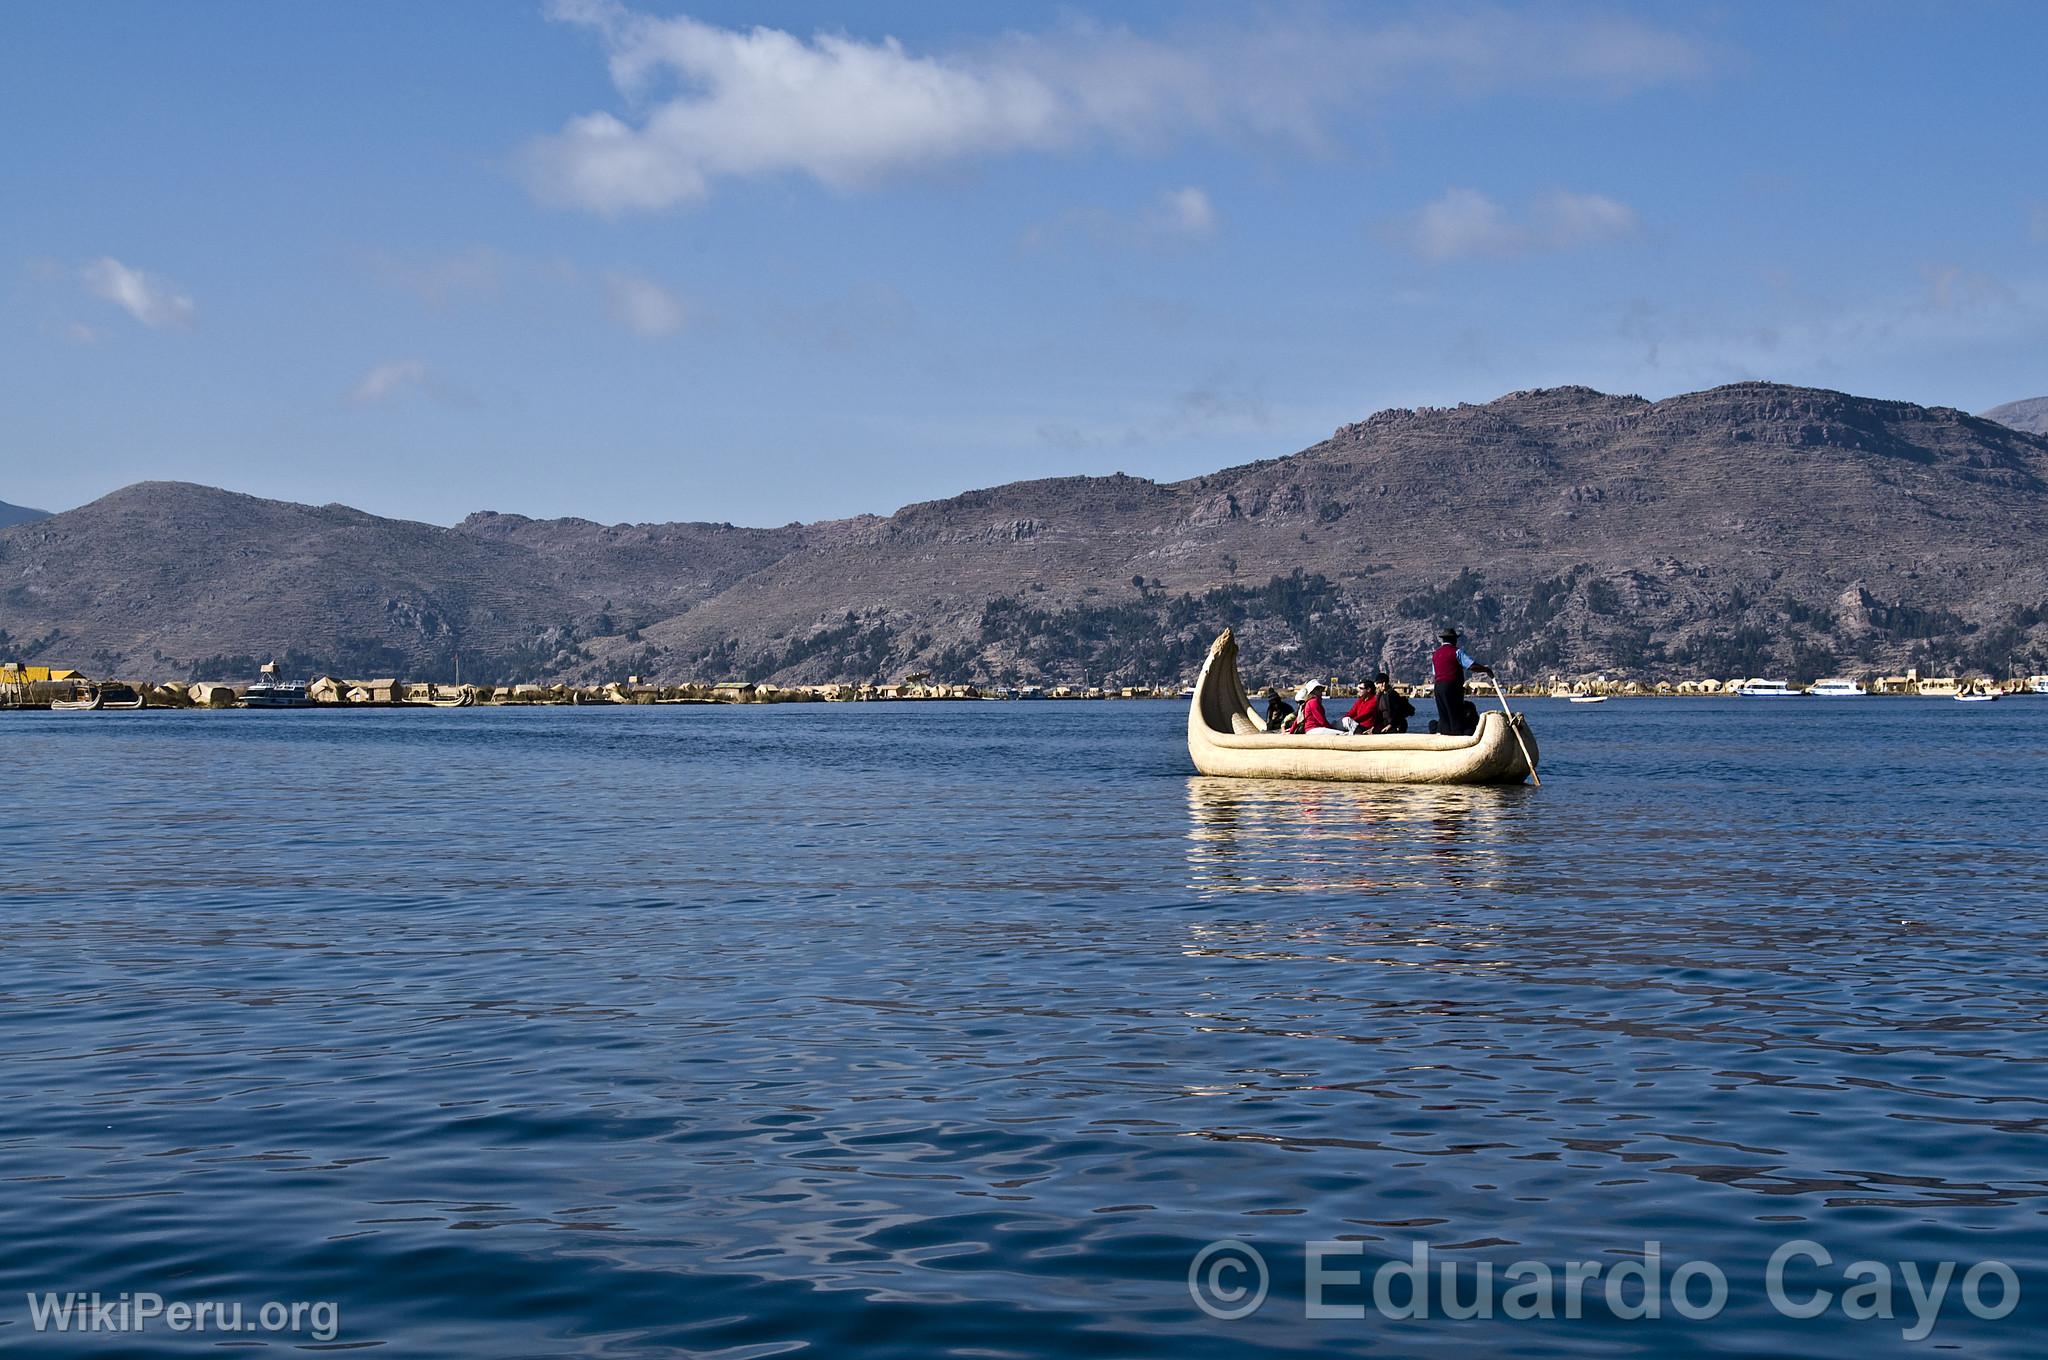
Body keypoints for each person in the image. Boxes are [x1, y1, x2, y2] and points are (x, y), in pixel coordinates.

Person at [1430, 629, 1494, 737]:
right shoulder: (1456, 652)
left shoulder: (1435, 654)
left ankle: (1445, 734)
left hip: (1438, 687)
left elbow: (1435, 673)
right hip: (1451, 686)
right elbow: (1471, 666)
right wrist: (1486, 669)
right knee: (1455, 713)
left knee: (1444, 714)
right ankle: (1457, 736)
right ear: (1453, 640)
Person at [1344, 672, 1413, 734]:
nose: (1377, 686)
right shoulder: (1380, 696)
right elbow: (1379, 715)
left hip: (1396, 724)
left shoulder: (1392, 695)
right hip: (1385, 723)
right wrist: (1373, 727)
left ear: (1384, 683)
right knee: (1371, 732)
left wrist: (1390, 725)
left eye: (1378, 683)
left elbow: (1398, 713)